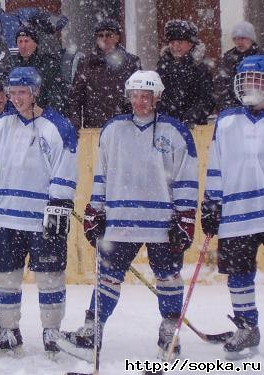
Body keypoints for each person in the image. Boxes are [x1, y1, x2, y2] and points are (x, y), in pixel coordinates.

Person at [57, 70, 199, 361]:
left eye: (146, 95)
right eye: (135, 95)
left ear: (157, 97)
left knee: (169, 277)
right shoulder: (113, 129)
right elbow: (103, 175)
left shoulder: (175, 131)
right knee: (107, 277)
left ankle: (169, 333)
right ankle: (92, 332)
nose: (140, 101)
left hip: (163, 223)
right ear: (128, 96)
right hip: (120, 220)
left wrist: (185, 217)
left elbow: (186, 178)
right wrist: (95, 209)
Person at [0, 67, 78, 353]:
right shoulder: (1, 126)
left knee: (50, 275)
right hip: (6, 216)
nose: (16, 98)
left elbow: (65, 168)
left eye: (23, 92)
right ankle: (8, 331)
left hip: (42, 216)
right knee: (6, 277)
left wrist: (60, 201)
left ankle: (51, 331)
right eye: (13, 93)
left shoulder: (57, 125)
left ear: (36, 92)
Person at [201, 55, 264, 360]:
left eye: (257, 80)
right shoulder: (226, 121)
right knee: (239, 275)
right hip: (237, 213)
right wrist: (212, 203)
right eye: (246, 80)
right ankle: (247, 327)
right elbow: (216, 165)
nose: (251, 86)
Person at [69, 18, 141, 130]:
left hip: (124, 124)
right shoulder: (86, 62)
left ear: (117, 37)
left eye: (109, 35)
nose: (104, 39)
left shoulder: (131, 62)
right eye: (100, 35)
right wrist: (75, 123)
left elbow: (138, 93)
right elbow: (76, 96)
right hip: (95, 125)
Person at [156, 20, 215, 128]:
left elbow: (207, 99)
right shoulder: (162, 65)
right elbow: (157, 95)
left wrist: (190, 117)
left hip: (193, 127)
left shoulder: (200, 67)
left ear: (190, 44)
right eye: (172, 43)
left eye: (179, 42)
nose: (175, 47)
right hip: (166, 125)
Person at [12, 26, 69, 115]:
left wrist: (43, 111)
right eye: (20, 41)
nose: (23, 45)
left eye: (27, 41)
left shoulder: (49, 65)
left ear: (35, 43)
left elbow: (57, 95)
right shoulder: (12, 65)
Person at [214, 21, 263, 112]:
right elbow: (220, 85)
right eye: (235, 39)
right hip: (233, 109)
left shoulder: (261, 57)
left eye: (242, 38)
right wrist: (227, 106)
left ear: (251, 39)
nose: (239, 42)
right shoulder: (227, 59)